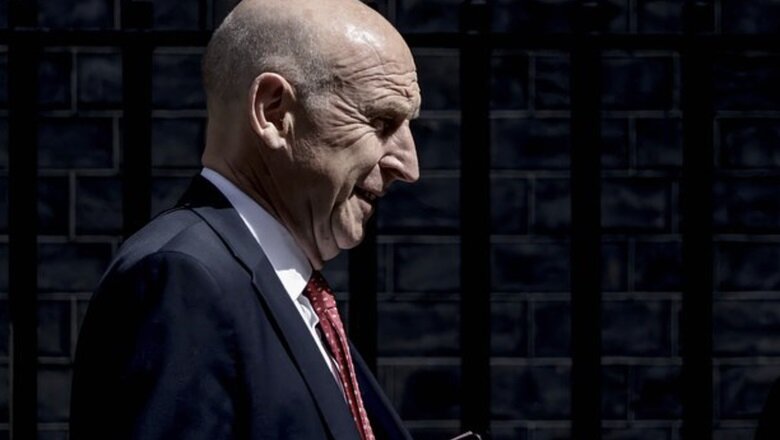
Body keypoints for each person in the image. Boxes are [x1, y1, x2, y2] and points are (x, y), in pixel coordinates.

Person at [69, 0, 421, 438]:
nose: (409, 166)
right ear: (273, 112)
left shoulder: (283, 289)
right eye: (382, 121)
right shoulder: (183, 279)